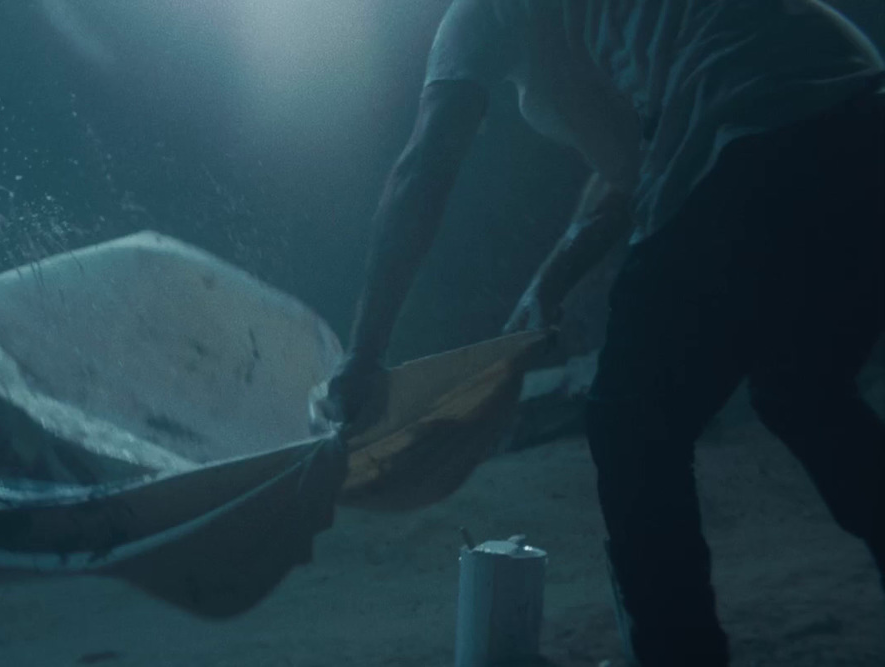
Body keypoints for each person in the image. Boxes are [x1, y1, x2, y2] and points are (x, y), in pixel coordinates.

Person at [322, 1, 885, 664]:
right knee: (805, 389)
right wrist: (550, 283)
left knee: (631, 422)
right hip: (864, 118)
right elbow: (631, 165)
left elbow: (424, 169)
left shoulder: (482, 11)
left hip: (746, 122)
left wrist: (364, 351)